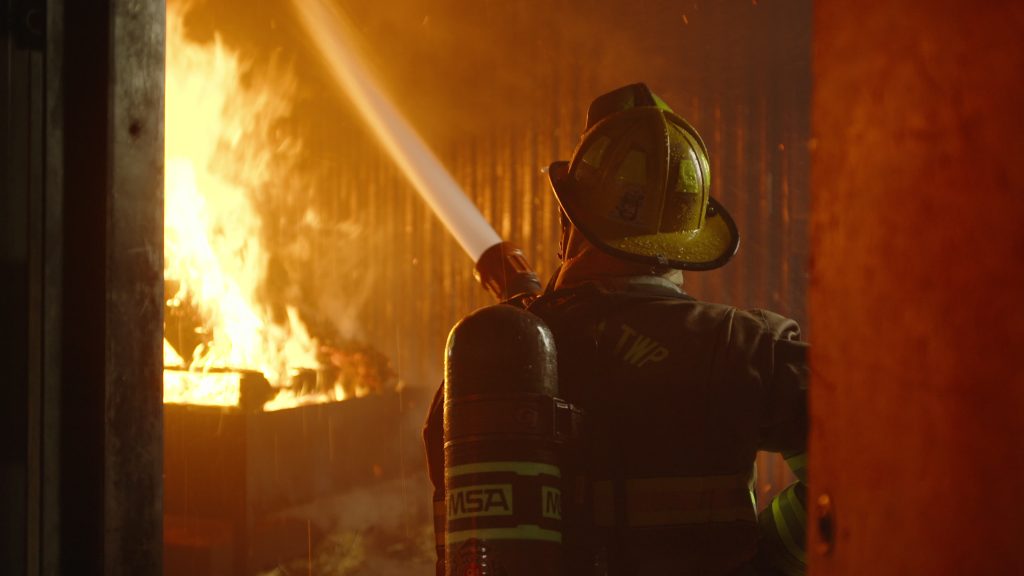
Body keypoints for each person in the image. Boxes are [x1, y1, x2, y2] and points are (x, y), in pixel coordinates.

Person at [425, 83, 808, 576]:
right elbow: (861, 462)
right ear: (689, 237)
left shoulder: (486, 371)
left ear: (569, 225)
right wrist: (767, 556)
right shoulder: (746, 349)